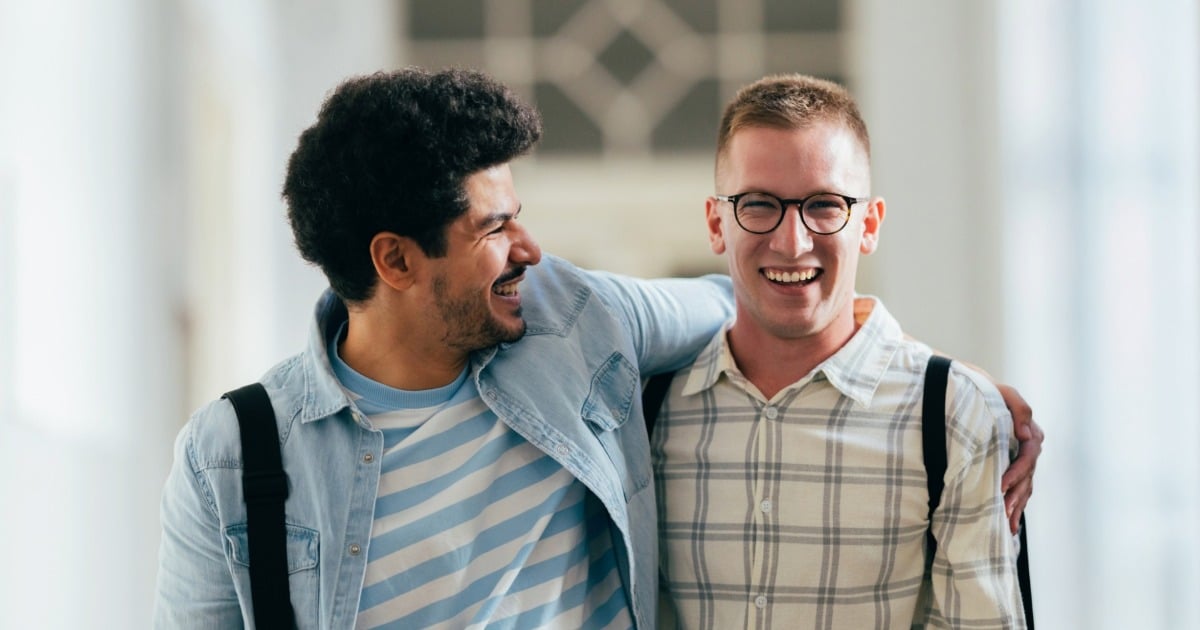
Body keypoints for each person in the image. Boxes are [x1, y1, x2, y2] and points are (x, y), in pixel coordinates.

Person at [154, 67, 1040, 629]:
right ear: (395, 259)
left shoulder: (569, 321)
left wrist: (946, 394)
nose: (531, 251)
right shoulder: (232, 459)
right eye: (496, 227)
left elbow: (746, 293)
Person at [652, 74, 1032, 628]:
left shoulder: (956, 417)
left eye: (825, 205)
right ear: (717, 222)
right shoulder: (645, 403)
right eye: (758, 204)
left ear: (869, 224)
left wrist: (970, 398)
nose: (792, 241)